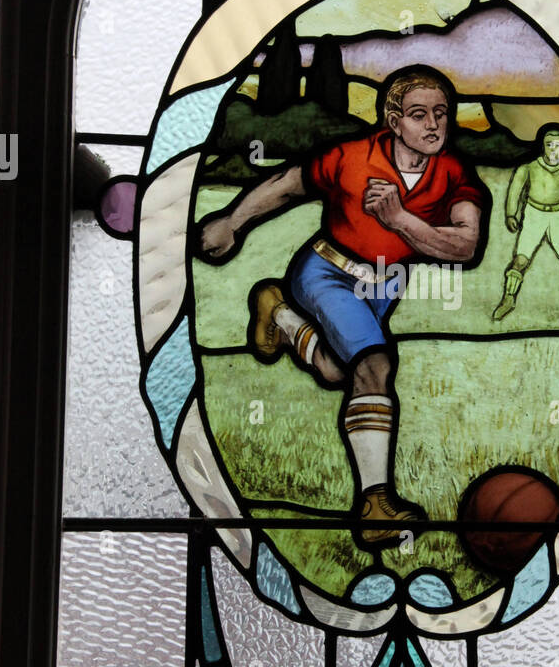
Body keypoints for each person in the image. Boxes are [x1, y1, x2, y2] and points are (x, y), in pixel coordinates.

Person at [200, 66, 488, 546]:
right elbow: (289, 184)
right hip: (325, 272)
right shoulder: (352, 156)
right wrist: (233, 220)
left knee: (340, 375)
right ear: (393, 120)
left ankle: (279, 313)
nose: (434, 124)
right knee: (375, 366)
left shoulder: (454, 173)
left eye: (441, 113)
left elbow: (465, 246)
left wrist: (400, 220)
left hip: (384, 287)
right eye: (419, 115)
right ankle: (375, 505)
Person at [492, 124, 559, 323]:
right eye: (549, 144)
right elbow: (515, 191)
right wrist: (511, 214)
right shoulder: (528, 168)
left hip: (558, 216)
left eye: (557, 145)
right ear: (542, 146)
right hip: (533, 214)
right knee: (520, 261)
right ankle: (508, 299)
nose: (553, 149)